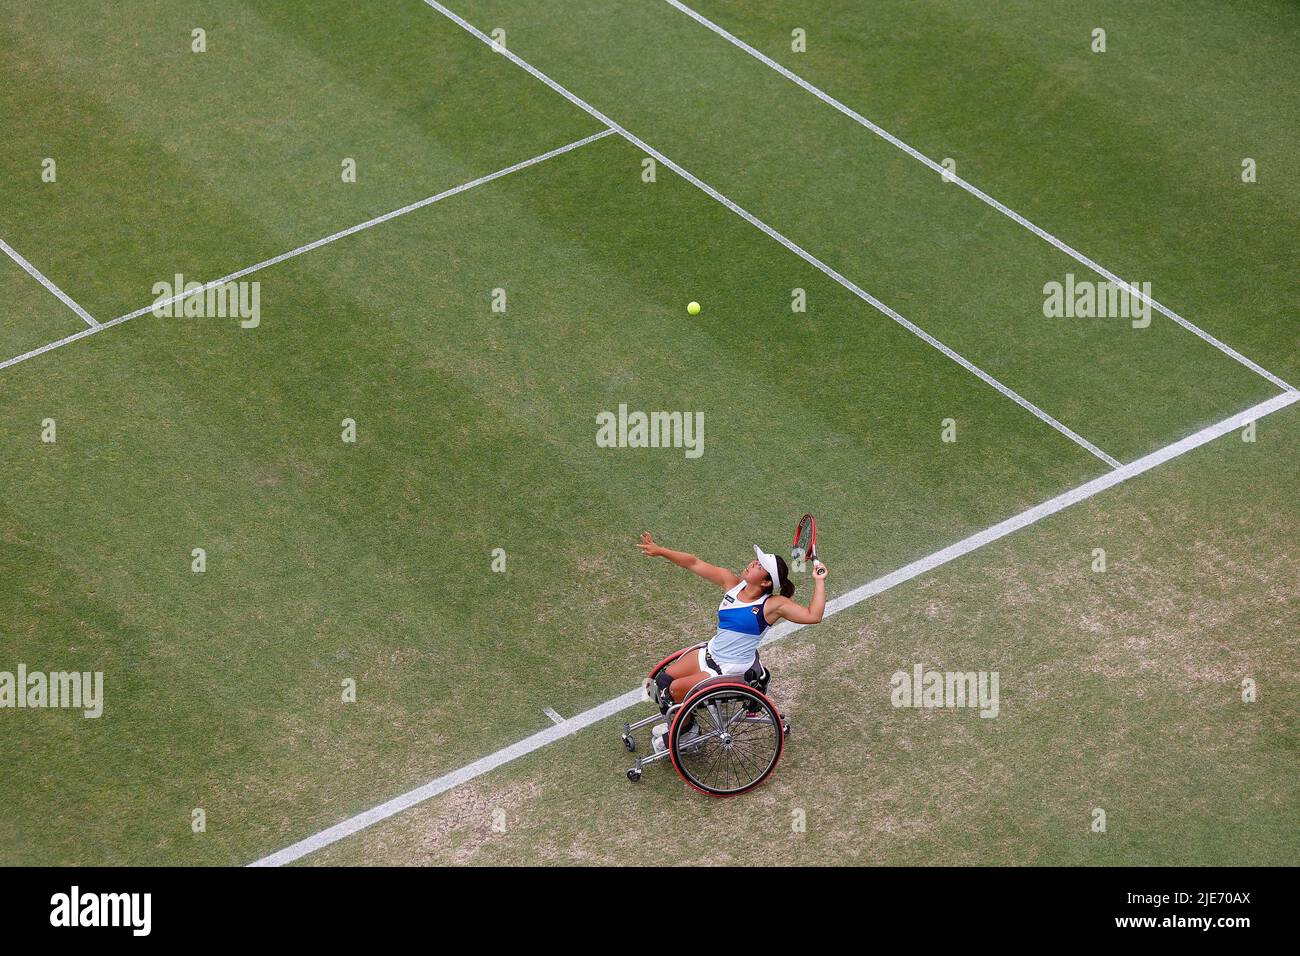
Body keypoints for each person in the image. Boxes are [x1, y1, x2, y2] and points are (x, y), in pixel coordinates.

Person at [637, 532, 827, 709]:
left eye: (760, 566)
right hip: (710, 653)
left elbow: (814, 615)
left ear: (766, 582)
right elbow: (693, 563)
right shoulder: (732, 584)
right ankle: (681, 721)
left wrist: (819, 580)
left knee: (674, 690)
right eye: (756, 561)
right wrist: (660, 550)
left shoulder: (772, 605)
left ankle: (687, 733)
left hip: (728, 668)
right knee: (661, 682)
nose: (753, 563)